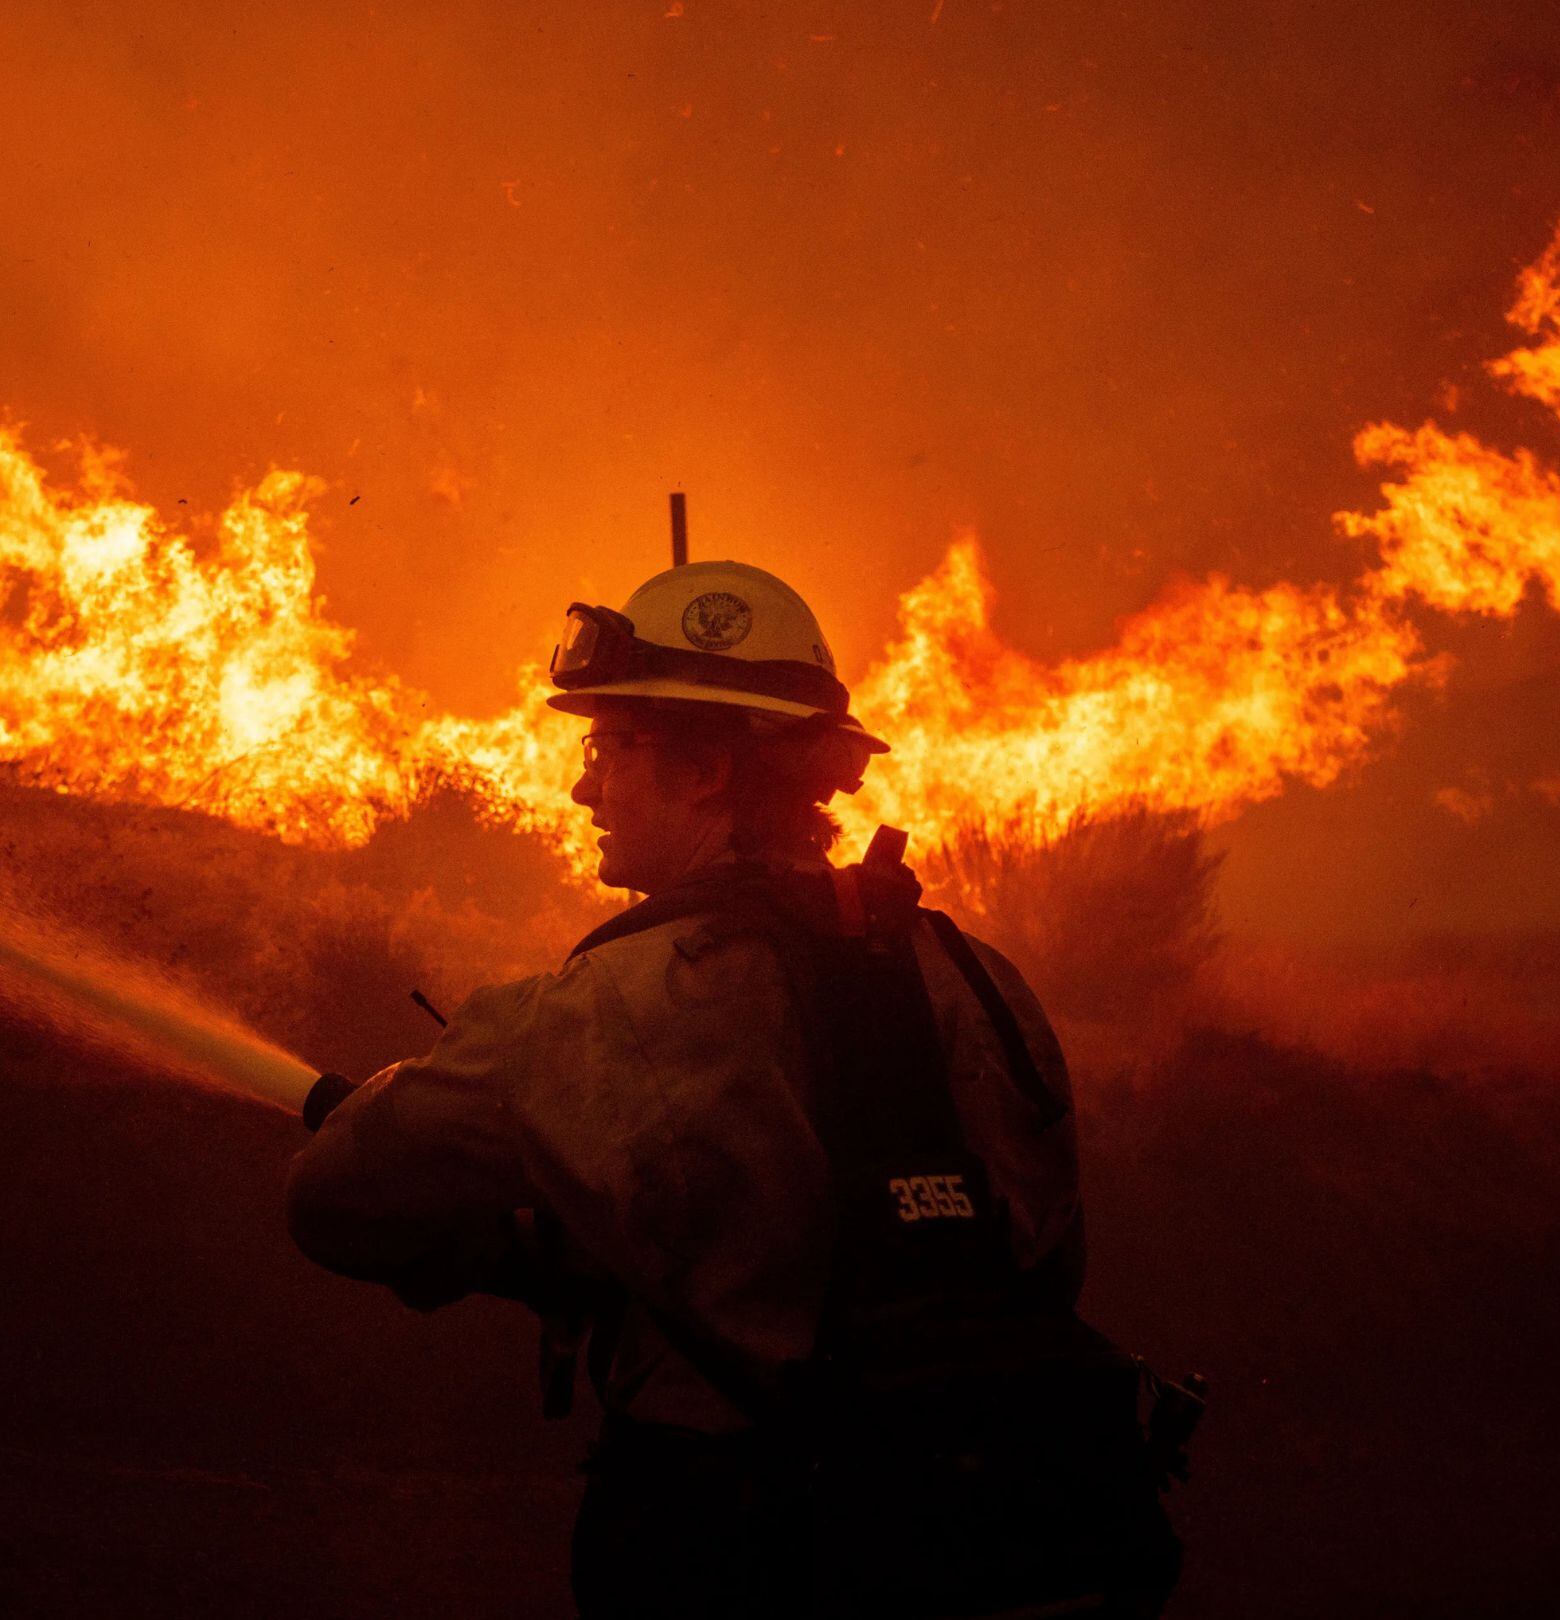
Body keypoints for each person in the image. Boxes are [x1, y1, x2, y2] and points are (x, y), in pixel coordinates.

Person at [287, 561, 1182, 1616]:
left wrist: (529, 1246)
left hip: (724, 1534)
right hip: (1001, 1525)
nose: (583, 787)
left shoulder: (595, 1008)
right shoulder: (979, 978)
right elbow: (1040, 1254)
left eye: (608, 748)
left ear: (707, 768)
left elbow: (333, 1199)